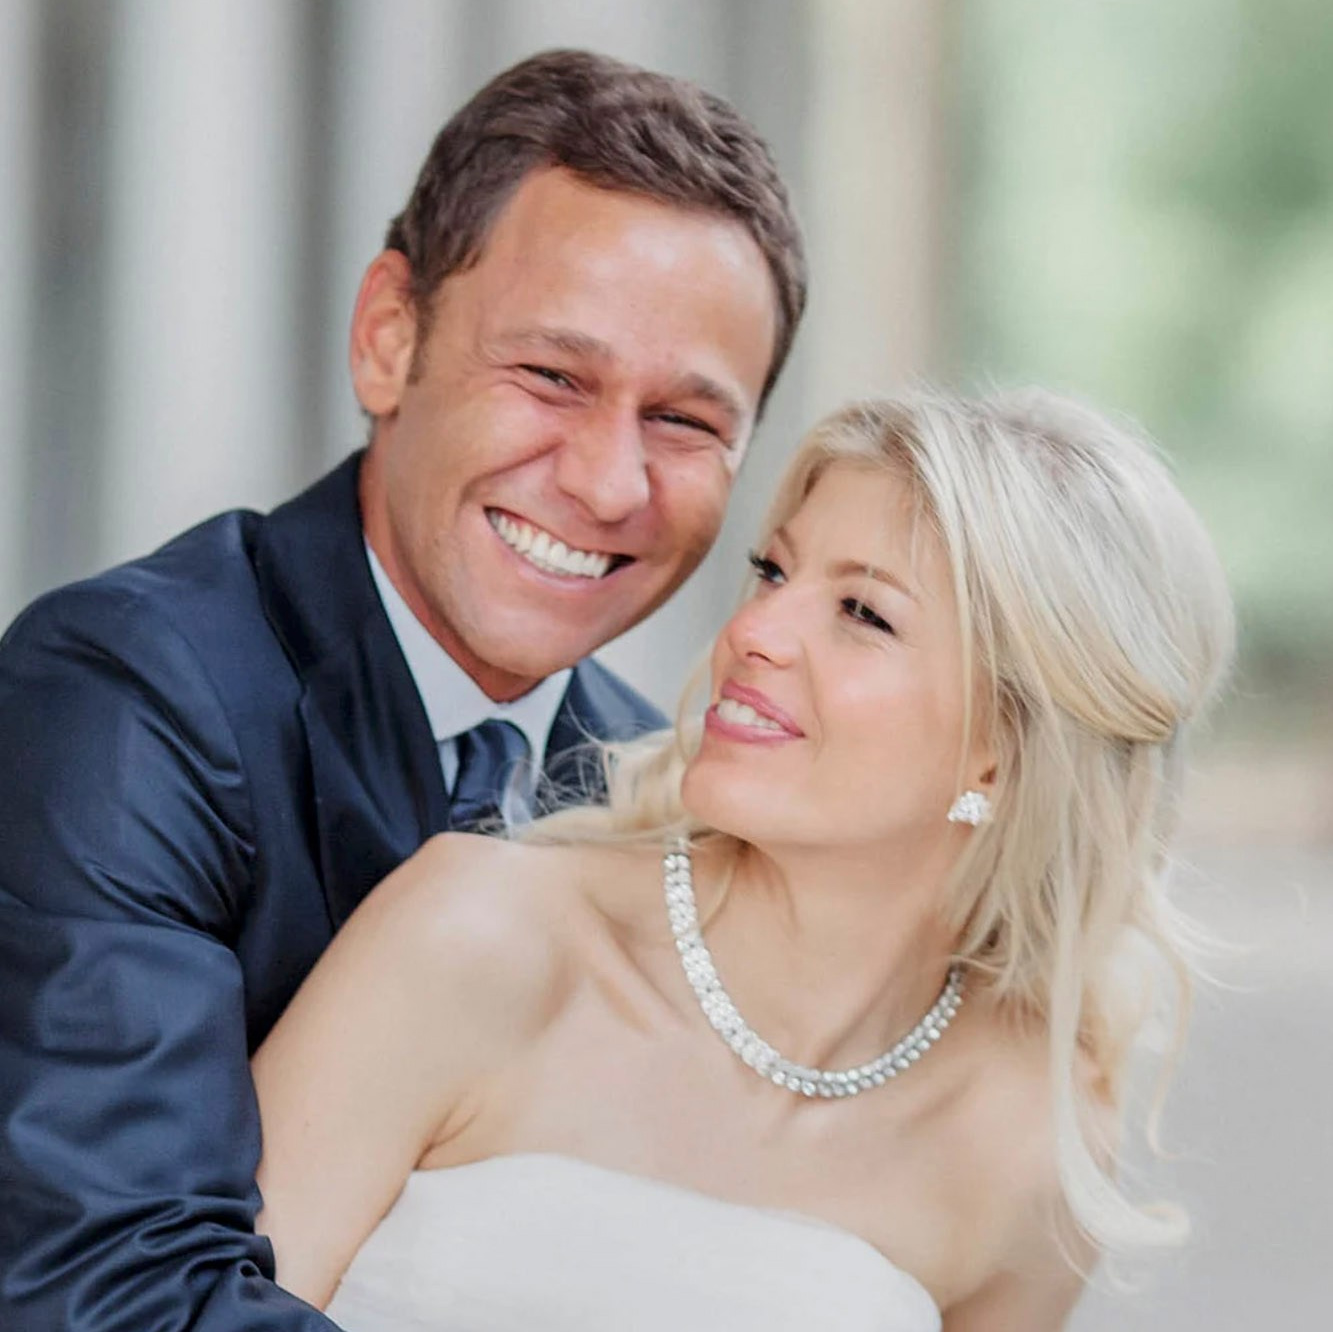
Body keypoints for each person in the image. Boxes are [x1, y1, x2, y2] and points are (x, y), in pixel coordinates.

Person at [0, 50, 805, 1331]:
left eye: (685, 423)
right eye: (550, 376)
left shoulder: (672, 794)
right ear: (390, 336)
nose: (606, 483)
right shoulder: (131, 698)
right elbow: (112, 1296)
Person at [251, 388, 1235, 1331]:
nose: (752, 634)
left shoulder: (1029, 1144)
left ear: (1005, 748)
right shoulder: (477, 935)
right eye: (772, 573)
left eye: (862, 613)